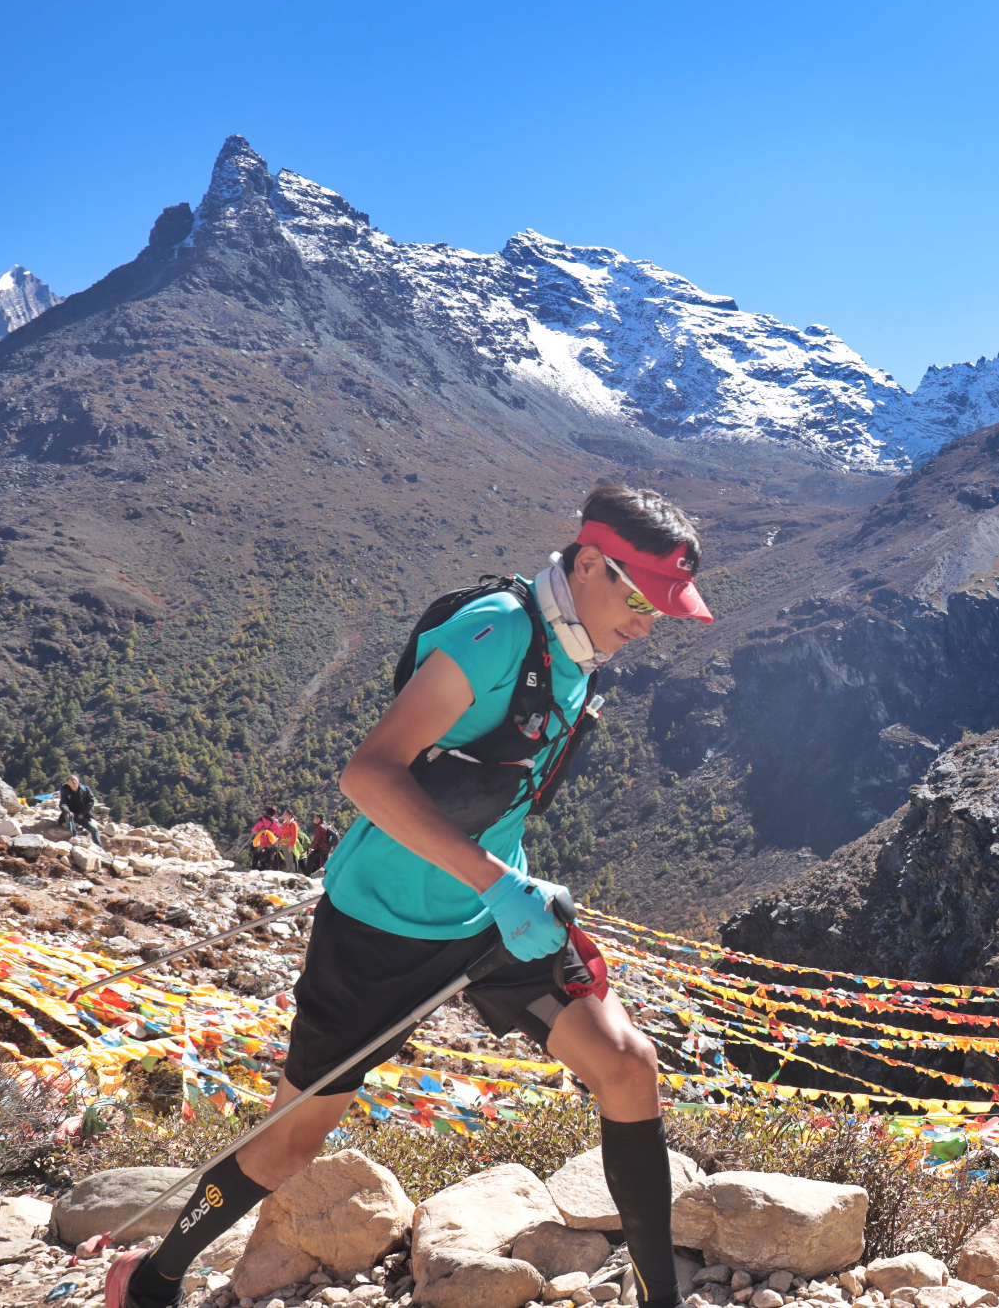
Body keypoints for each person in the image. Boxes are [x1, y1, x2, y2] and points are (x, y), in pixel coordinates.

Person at [107, 483, 713, 1308]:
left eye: (664, 609)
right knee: (289, 1141)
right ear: (589, 563)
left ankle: (660, 1302)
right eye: (642, 598)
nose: (649, 623)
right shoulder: (497, 635)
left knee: (627, 1064)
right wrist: (504, 886)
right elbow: (370, 773)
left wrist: (513, 890)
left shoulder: (578, 656)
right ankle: (153, 1276)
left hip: (496, 919)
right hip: (382, 928)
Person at [57, 775, 97, 843]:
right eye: (72, 780)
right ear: (68, 784)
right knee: (71, 817)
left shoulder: (85, 790)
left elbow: (91, 802)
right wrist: (67, 812)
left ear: (78, 781)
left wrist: (82, 813)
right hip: (71, 814)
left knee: (93, 828)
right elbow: (63, 804)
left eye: (75, 780)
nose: (74, 781)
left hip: (82, 814)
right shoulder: (65, 792)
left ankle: (99, 846)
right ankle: (75, 837)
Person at [249, 807, 281, 872]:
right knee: (268, 854)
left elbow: (254, 829)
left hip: (260, 840)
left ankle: (254, 867)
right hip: (270, 840)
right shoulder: (275, 821)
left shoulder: (261, 819)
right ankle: (267, 868)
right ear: (274, 813)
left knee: (256, 854)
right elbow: (278, 832)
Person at [276, 809, 302, 874]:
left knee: (292, 859)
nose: (284, 816)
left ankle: (295, 872)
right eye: (283, 814)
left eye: (285, 814)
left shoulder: (293, 823)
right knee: (286, 859)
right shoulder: (284, 823)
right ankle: (289, 871)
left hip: (291, 843)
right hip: (284, 843)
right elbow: (281, 833)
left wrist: (291, 845)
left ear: (290, 816)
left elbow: (294, 835)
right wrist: (279, 840)